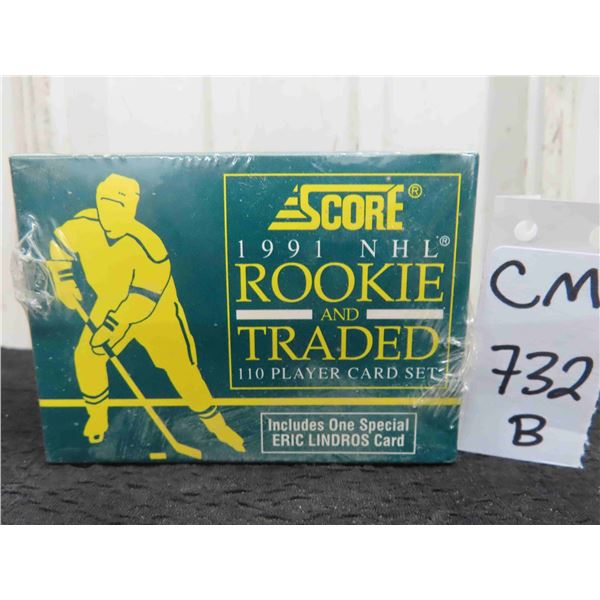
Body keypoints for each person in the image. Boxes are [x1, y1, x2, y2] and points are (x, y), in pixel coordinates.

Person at [46, 173, 245, 453]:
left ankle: (217, 426)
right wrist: (64, 281)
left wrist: (111, 328)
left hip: (156, 313)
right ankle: (97, 417)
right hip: (111, 302)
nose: (108, 211)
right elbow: (60, 244)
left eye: (117, 205)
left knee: (182, 370)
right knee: (88, 357)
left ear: (132, 208)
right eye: (104, 202)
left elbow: (141, 302)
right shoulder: (83, 225)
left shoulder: (150, 247)